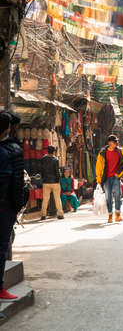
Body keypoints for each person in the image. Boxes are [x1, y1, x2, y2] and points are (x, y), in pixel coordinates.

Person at [0, 112, 25, 302]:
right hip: (5, 207)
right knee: (1, 248)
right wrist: (17, 204)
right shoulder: (11, 150)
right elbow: (14, 181)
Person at [96, 135, 123, 223]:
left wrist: (119, 173)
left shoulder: (119, 151)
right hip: (106, 178)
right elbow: (99, 166)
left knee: (118, 196)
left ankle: (117, 215)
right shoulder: (103, 152)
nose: (116, 143)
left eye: (116, 142)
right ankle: (110, 216)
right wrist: (99, 179)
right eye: (115, 142)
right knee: (108, 197)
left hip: (116, 178)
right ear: (110, 143)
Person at [40, 146, 64, 220]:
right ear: (53, 151)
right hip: (55, 182)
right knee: (57, 198)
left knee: (45, 199)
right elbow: (57, 171)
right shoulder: (55, 159)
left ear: (47, 151)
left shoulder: (43, 159)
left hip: (46, 182)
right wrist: (59, 178)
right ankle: (60, 214)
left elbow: (41, 170)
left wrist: (43, 178)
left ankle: (43, 215)